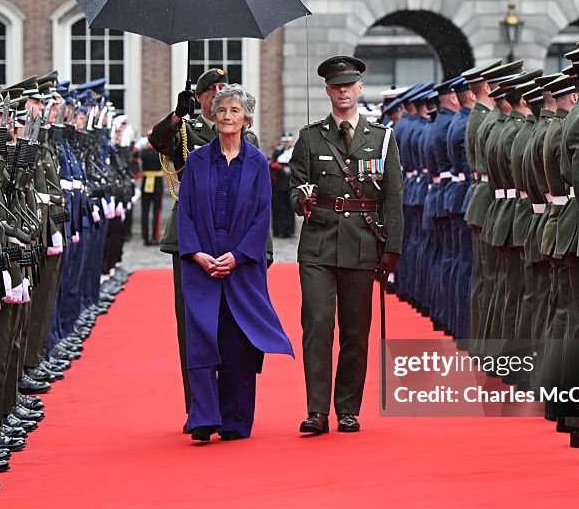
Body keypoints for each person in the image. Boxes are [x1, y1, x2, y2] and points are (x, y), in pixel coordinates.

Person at [289, 55, 404, 434]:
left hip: (361, 243)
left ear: (359, 89)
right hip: (319, 243)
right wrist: (301, 198)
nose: (342, 91)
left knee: (355, 329)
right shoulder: (309, 137)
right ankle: (317, 410)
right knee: (318, 324)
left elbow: (392, 199)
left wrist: (393, 250)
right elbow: (293, 190)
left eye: (348, 85)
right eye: (336, 86)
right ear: (327, 91)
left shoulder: (382, 139)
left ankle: (348, 407)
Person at [177, 84, 293, 441]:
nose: (227, 116)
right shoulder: (196, 161)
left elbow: (263, 214)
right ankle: (203, 417)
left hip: (242, 262)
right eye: (222, 110)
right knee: (201, 337)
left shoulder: (257, 162)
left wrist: (239, 255)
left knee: (237, 339)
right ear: (212, 115)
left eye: (235, 111)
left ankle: (236, 420)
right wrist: (196, 253)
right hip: (201, 261)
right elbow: (186, 211)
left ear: (246, 119)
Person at [149, 69, 263, 428]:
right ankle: (198, 407)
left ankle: (231, 408)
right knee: (195, 327)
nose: (221, 100)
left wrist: (260, 250)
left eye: (226, 95)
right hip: (193, 234)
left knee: (234, 327)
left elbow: (259, 200)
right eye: (212, 93)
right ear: (202, 101)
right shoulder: (185, 129)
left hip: (237, 240)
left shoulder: (250, 140)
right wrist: (177, 114)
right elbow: (159, 140)